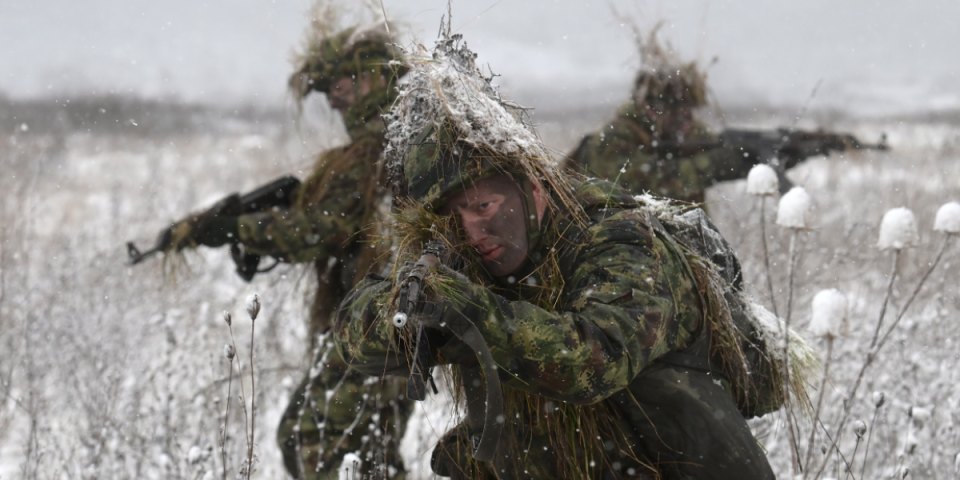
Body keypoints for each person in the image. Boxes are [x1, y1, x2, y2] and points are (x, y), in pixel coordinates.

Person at [335, 32, 815, 480]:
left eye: (484, 205)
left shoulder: (623, 240)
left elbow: (592, 359)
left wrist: (472, 314)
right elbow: (352, 337)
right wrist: (402, 312)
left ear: (535, 190)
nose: (472, 230)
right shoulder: (465, 249)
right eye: (453, 216)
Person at [161, 20, 411, 480]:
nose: (333, 99)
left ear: (372, 77)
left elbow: (321, 228)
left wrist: (236, 228)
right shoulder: (396, 145)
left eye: (338, 85)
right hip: (386, 320)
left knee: (312, 441)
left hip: (381, 322)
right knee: (361, 449)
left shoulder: (379, 150)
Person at [566, 29, 762, 204]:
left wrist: (758, 155)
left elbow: (723, 150)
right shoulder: (611, 140)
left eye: (689, 111)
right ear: (650, 107)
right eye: (677, 111)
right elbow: (642, 184)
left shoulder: (684, 133)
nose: (687, 120)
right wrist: (712, 165)